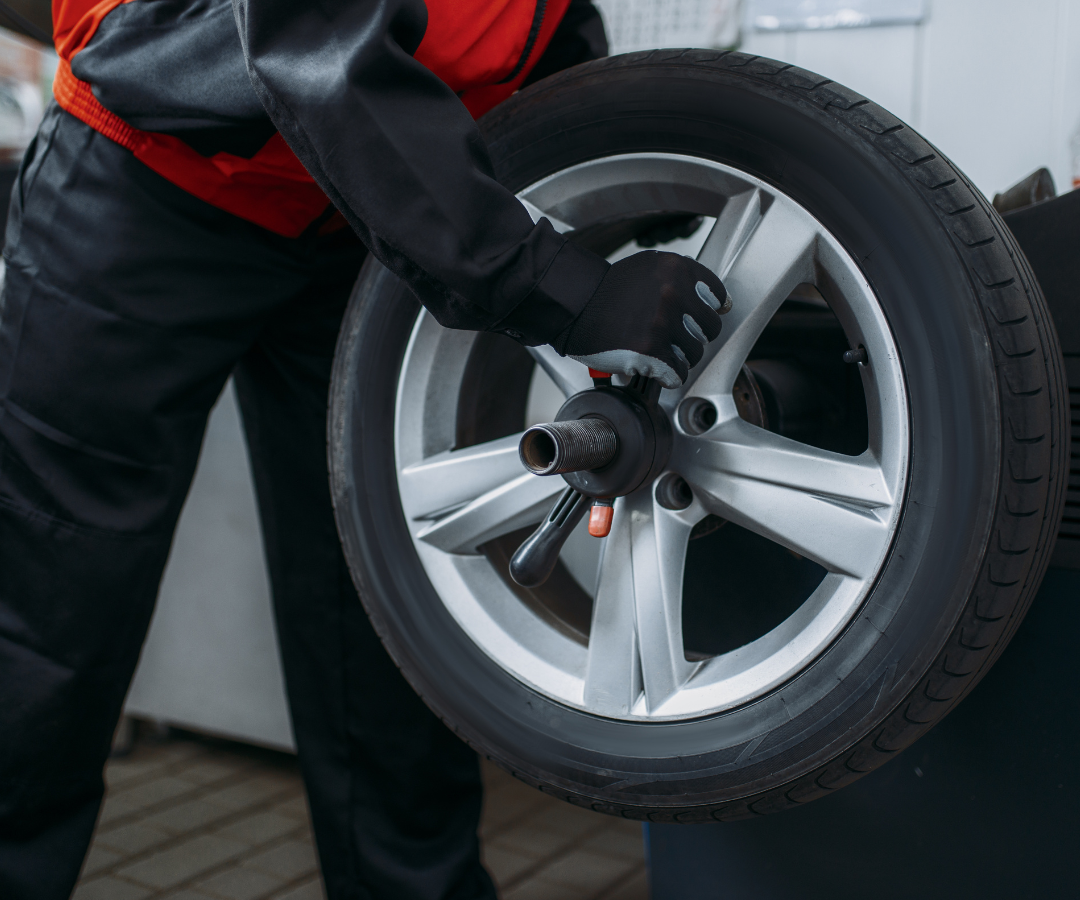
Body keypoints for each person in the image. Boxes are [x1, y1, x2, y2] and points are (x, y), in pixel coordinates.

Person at [0, 1, 727, 898]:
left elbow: (536, 77)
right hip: (145, 184)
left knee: (377, 610)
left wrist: (617, 276)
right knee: (50, 616)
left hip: (355, 223)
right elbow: (313, 47)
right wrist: (559, 288)